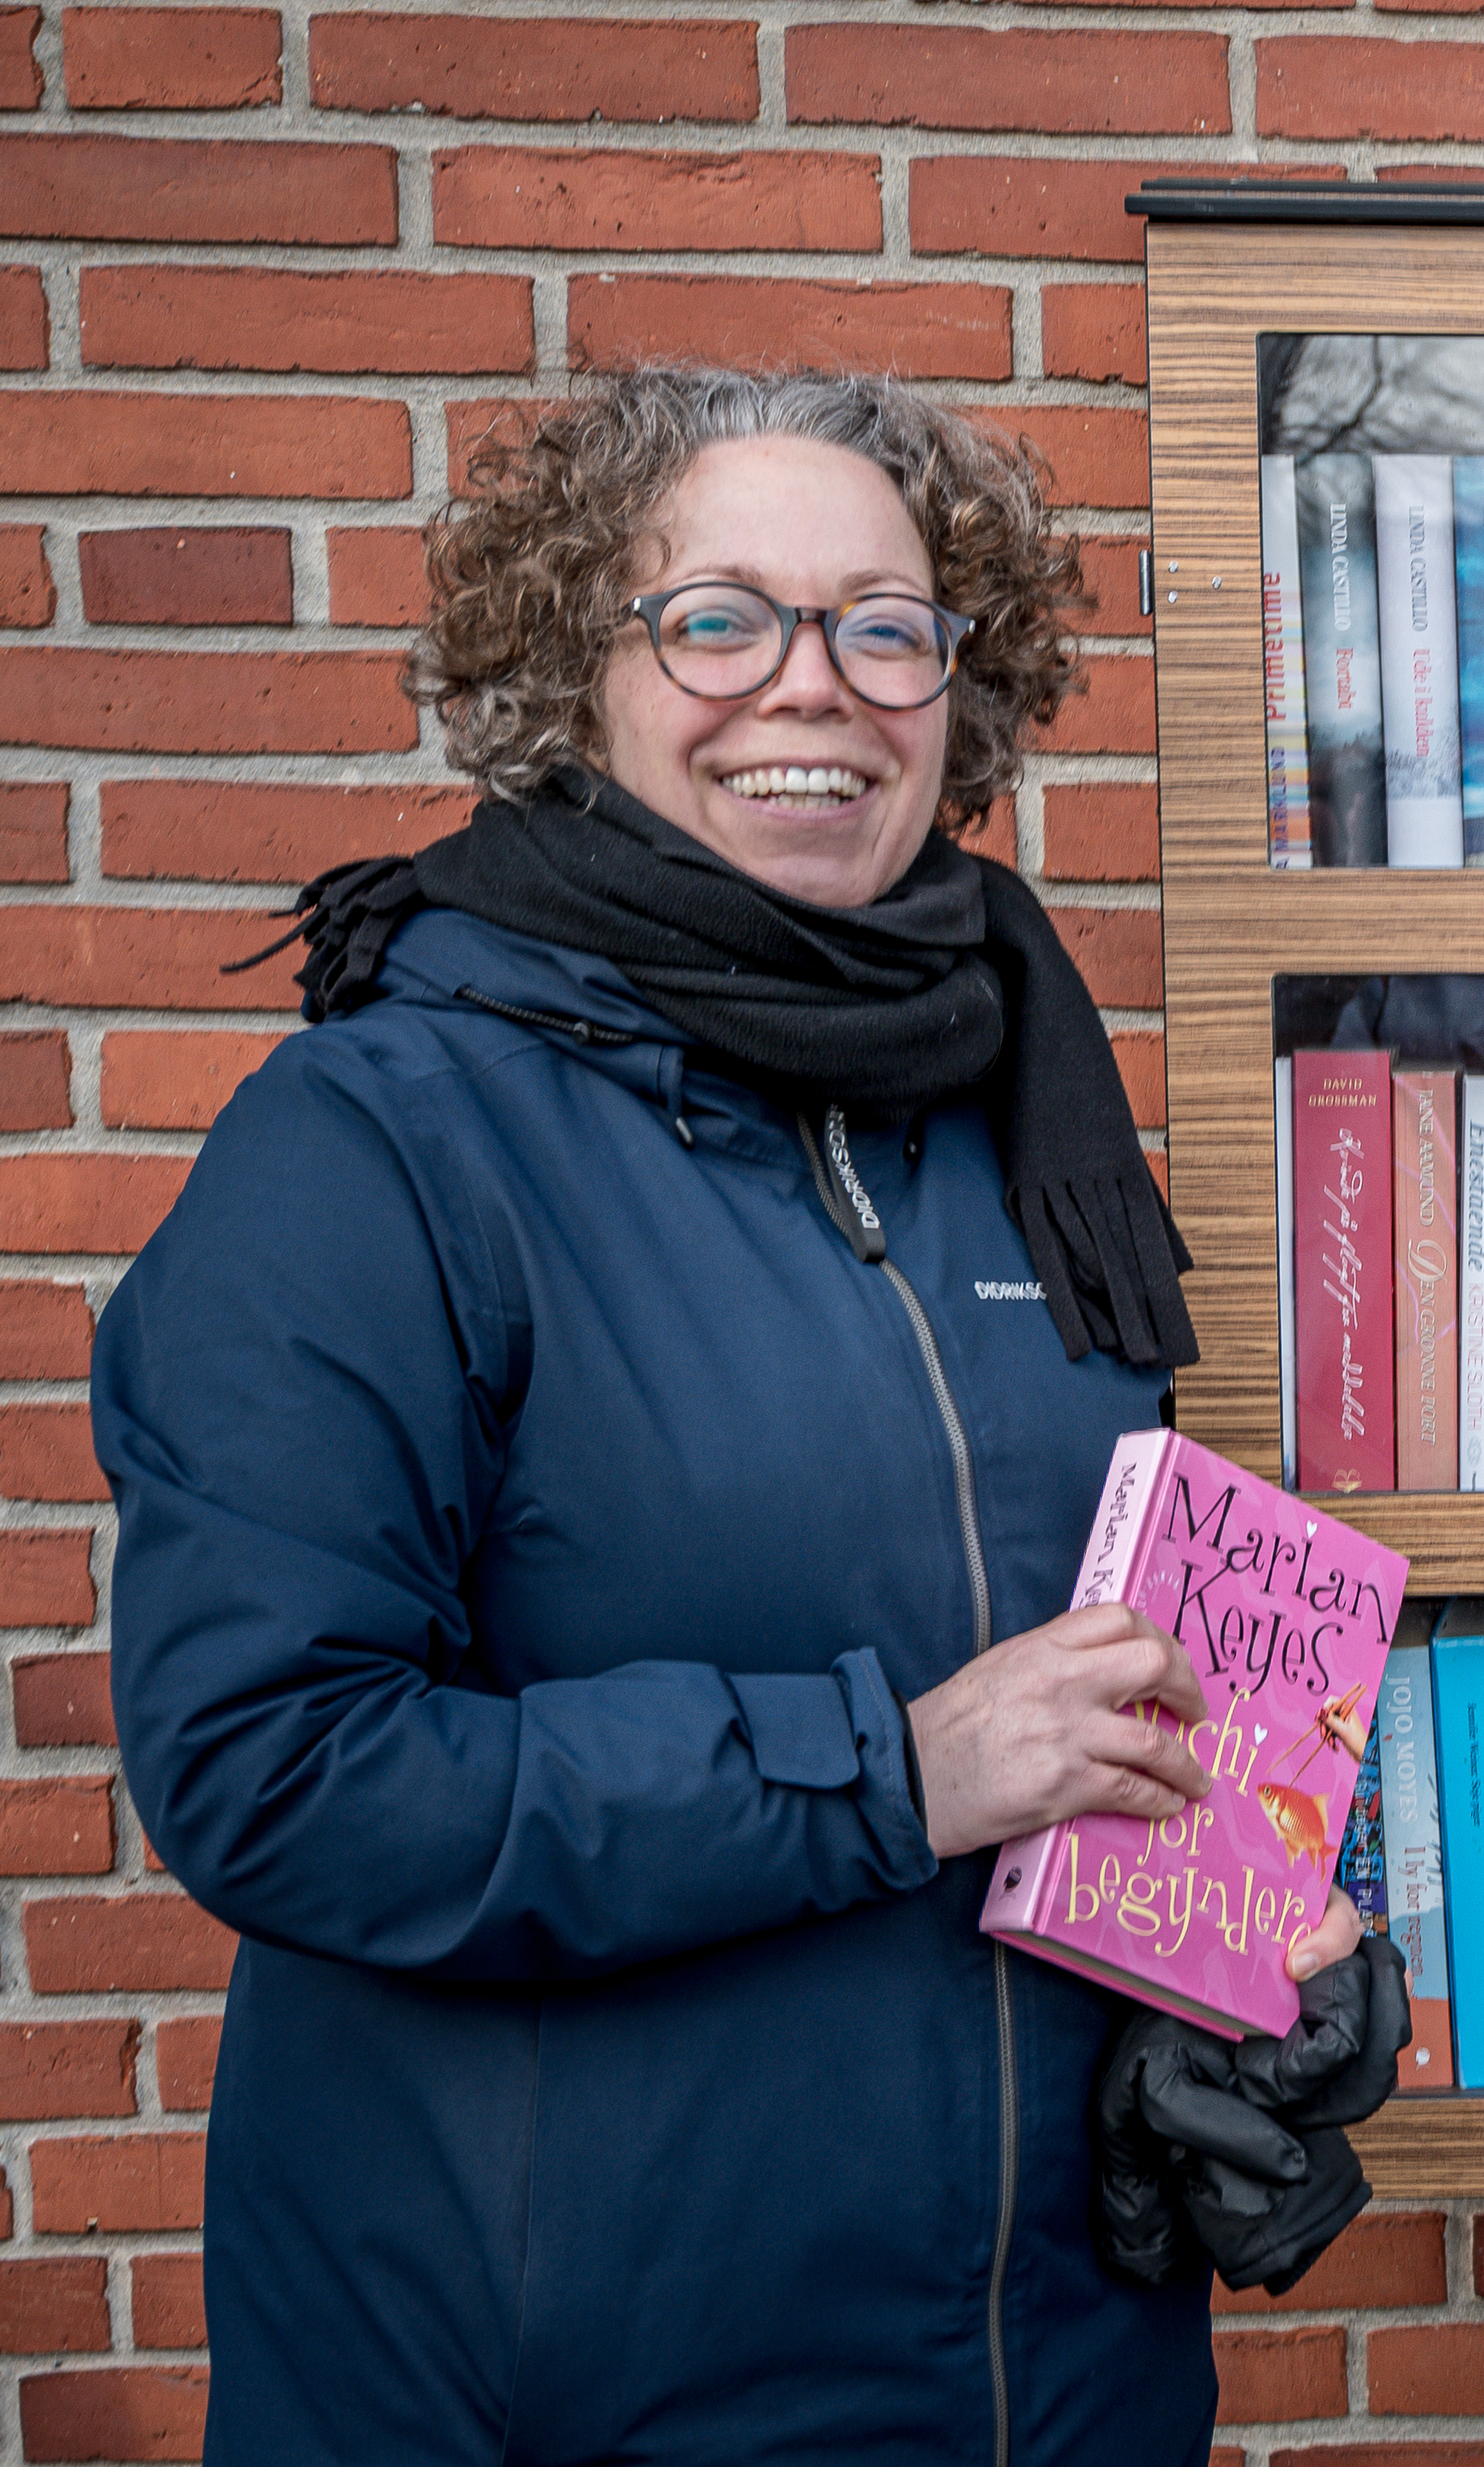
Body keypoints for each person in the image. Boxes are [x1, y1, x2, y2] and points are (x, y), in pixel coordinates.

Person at [95, 366, 1403, 2466]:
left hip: (1055, 2390)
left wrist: (1246, 1956)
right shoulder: (378, 1145)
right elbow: (275, 1771)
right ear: (575, 678)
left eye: (885, 627)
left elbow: (1096, 1691)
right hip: (559, 2403)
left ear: (958, 693)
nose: (814, 685)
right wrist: (893, 1772)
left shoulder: (1015, 1125)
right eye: (719, 619)